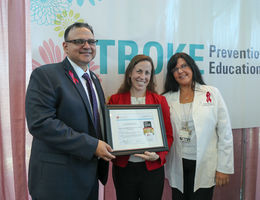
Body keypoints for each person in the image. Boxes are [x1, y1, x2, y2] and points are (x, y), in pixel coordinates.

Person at [25, 22, 115, 200]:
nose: (87, 46)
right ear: (65, 46)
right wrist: (92, 146)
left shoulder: (94, 79)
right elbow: (41, 123)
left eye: (91, 41)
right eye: (79, 41)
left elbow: (95, 122)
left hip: (89, 177)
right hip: (57, 181)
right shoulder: (46, 75)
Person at [163, 52, 234, 200]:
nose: (180, 71)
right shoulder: (165, 98)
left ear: (192, 67)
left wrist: (224, 167)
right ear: (172, 74)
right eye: (175, 69)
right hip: (178, 163)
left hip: (205, 164)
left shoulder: (212, 93)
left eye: (184, 66)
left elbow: (225, 133)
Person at [108, 54, 173, 200]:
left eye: (147, 73)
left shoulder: (160, 101)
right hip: (124, 169)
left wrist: (158, 156)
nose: (142, 76)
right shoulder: (115, 100)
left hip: (152, 169)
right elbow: (111, 135)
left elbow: (168, 135)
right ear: (130, 73)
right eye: (139, 71)